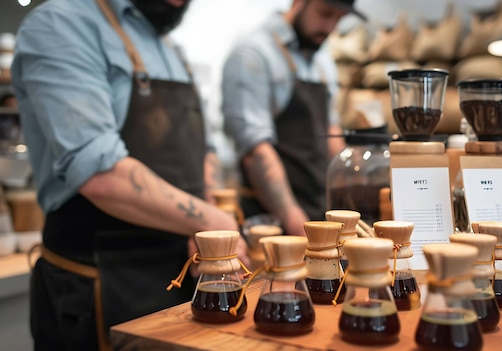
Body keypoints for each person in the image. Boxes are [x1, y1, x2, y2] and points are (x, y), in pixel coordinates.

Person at [11, 0, 245, 350]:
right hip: (102, 287)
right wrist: (212, 219)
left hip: (183, 282)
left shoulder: (171, 49)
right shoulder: (61, 24)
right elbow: (100, 171)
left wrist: (208, 227)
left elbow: (203, 151)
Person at [222, 0, 365, 236]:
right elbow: (256, 153)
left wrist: (354, 194)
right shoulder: (253, 55)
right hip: (274, 224)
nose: (330, 27)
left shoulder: (322, 62)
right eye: (325, 13)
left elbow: (330, 133)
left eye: (338, 19)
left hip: (317, 214)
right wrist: (296, 223)